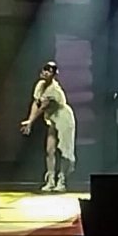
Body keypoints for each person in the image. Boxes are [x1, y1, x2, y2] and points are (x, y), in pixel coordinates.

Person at [21, 61, 76, 193]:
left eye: (50, 71)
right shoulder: (40, 85)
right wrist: (29, 120)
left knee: (64, 149)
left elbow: (43, 107)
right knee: (49, 149)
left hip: (63, 118)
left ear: (54, 75)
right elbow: (36, 103)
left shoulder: (54, 90)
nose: (46, 73)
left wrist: (31, 122)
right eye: (45, 70)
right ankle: (50, 180)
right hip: (53, 119)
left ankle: (61, 180)